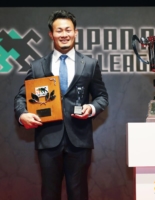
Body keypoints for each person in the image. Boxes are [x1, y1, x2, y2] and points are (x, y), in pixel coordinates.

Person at [14, 10, 108, 200]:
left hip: (79, 140)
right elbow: (20, 98)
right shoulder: (37, 66)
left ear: (76, 33)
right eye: (59, 30)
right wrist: (22, 114)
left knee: (78, 193)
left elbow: (102, 97)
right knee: (49, 193)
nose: (64, 34)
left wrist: (92, 108)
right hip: (48, 138)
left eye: (68, 30)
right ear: (51, 34)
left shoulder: (89, 64)